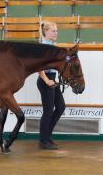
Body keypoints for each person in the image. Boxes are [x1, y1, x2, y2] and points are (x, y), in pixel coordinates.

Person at [37, 21, 66, 150]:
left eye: (56, 31)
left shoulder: (52, 46)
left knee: (60, 107)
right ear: (46, 32)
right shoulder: (43, 47)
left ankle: (47, 136)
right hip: (46, 81)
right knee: (48, 110)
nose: (56, 33)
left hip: (53, 79)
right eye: (53, 31)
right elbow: (39, 65)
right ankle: (43, 140)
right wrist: (46, 80)